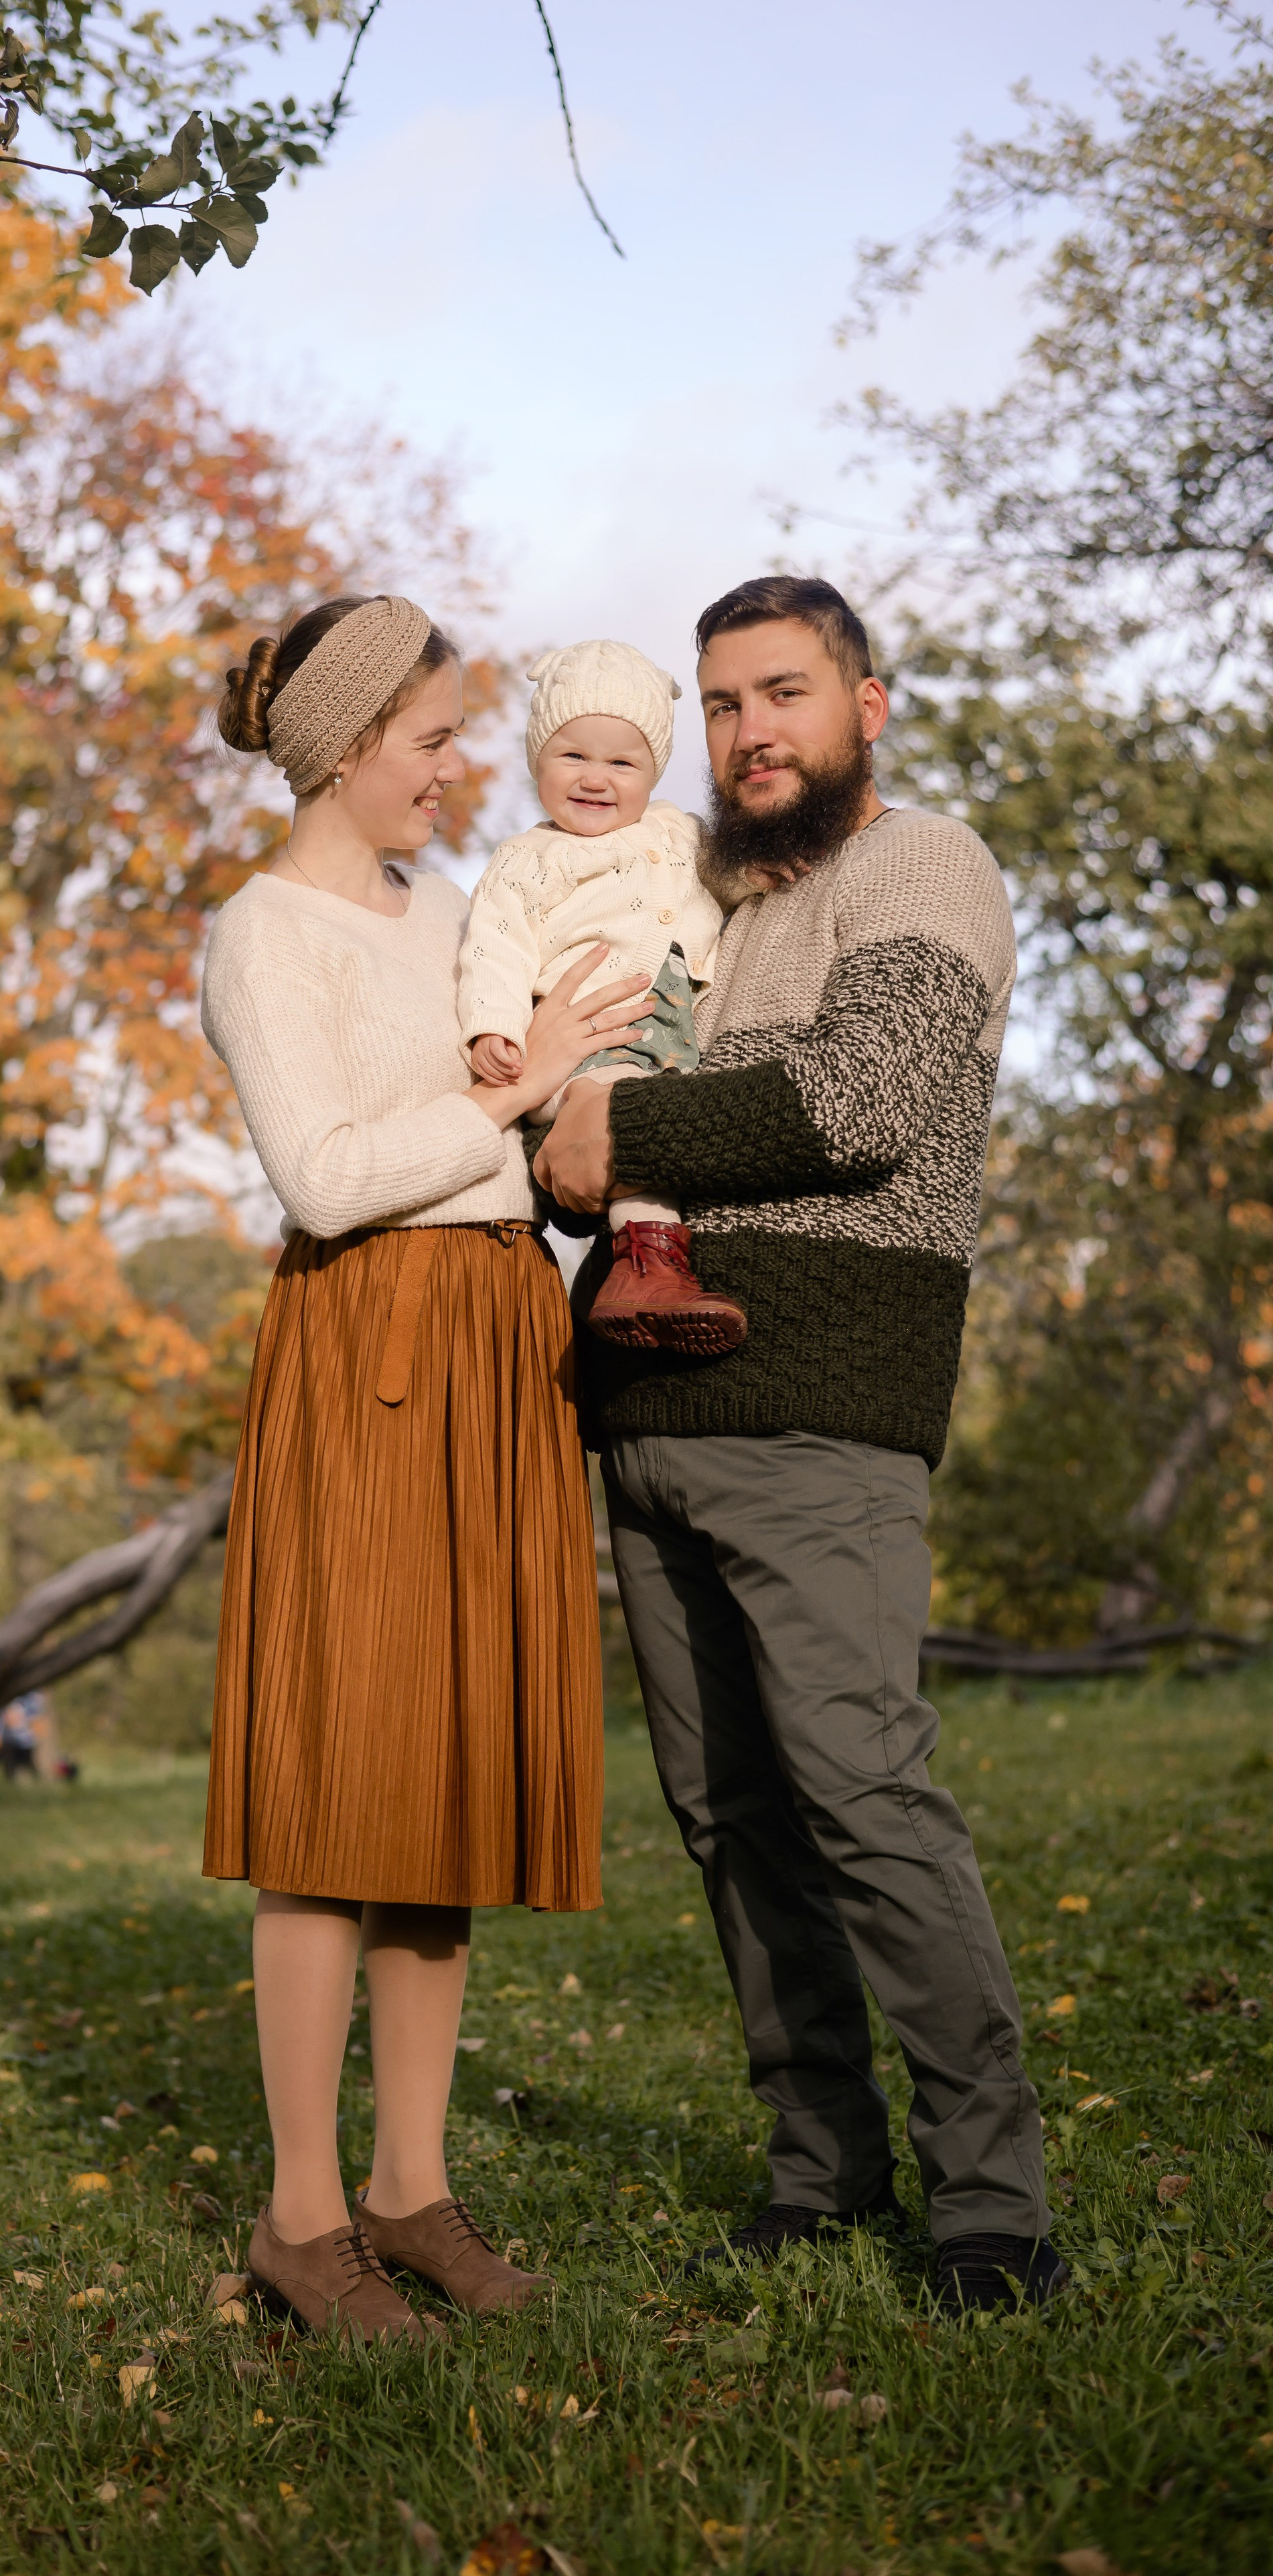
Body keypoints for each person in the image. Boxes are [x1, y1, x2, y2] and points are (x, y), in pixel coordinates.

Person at [534, 574, 1064, 2317]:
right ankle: (818, 2167)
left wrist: (613, 1128)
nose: (752, 731)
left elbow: (868, 1098)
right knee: (728, 1817)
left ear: (867, 703)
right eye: (724, 704)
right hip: (654, 1423)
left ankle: (991, 2207)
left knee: (861, 1792)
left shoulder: (920, 864)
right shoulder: (705, 902)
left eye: (785, 692)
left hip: (822, 1417)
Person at [202, 592, 648, 2344]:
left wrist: (600, 1085)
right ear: (343, 747)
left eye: (463, 738)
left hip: (497, 1338)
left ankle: (407, 2190)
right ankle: (301, 2221)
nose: (463, 772)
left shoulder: (461, 913)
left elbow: (527, 1147)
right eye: (437, 739)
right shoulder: (263, 931)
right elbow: (319, 1176)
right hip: (368, 1344)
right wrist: (505, 1096)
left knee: (445, 1781)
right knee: (340, 1791)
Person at [459, 638, 749, 1355]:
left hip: (665, 1037)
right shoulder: (527, 858)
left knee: (675, 1127)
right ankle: (647, 1266)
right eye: (572, 756)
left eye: (621, 762)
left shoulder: (678, 832)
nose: (595, 778)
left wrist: (772, 875)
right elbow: (492, 946)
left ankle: (646, 1269)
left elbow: (735, 881)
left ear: (652, 772)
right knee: (626, 1116)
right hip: (587, 1041)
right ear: (537, 761)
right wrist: (492, 1028)